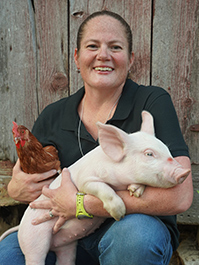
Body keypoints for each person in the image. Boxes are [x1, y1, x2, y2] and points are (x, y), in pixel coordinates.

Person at [0, 10, 193, 265]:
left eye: (115, 47)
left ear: (130, 58)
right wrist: (17, 188)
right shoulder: (53, 115)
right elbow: (22, 182)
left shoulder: (151, 102)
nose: (104, 55)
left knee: (135, 239)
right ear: (77, 58)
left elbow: (180, 196)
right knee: (8, 257)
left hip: (127, 231)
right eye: (93, 46)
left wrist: (81, 204)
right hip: (63, 232)